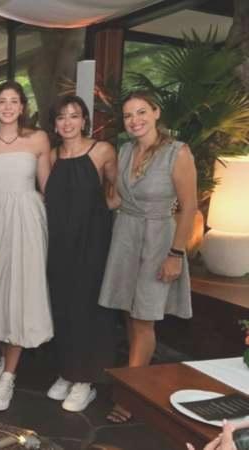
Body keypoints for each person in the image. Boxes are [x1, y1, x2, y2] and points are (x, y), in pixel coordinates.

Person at [99, 90, 197, 424]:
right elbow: (116, 200)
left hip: (158, 240)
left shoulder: (177, 152)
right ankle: (138, 377)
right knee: (130, 314)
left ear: (156, 112)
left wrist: (176, 254)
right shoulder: (126, 151)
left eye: (141, 112)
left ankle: (130, 395)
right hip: (126, 236)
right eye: (128, 115)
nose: (135, 120)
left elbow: (189, 207)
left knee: (144, 319)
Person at [0, 80, 53, 412]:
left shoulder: (38, 139)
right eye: (2, 100)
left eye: (14, 101)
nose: (7, 106)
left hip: (28, 224)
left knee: (20, 294)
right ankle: (4, 362)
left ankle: (8, 376)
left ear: (22, 106)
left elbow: (48, 190)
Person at [44, 95, 118, 412]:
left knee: (88, 308)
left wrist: (99, 215)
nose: (68, 122)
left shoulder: (102, 151)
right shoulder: (51, 155)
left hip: (92, 242)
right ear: (55, 124)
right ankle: (68, 371)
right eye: (61, 117)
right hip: (59, 243)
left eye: (74, 116)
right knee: (62, 306)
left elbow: (118, 192)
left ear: (85, 120)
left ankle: (86, 380)